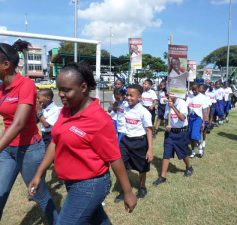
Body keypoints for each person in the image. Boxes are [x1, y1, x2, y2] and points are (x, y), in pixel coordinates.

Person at [28, 62, 137, 224]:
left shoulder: (99, 120)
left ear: (83, 87)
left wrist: (127, 192)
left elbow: (114, 158)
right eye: (60, 89)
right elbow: (56, 142)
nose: (61, 94)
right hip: (71, 182)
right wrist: (39, 173)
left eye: (67, 90)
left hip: (90, 185)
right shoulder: (66, 110)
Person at [0, 41, 58, 223]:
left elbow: (18, 123)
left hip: (29, 150)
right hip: (8, 150)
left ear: (6, 65)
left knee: (39, 195)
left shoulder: (25, 84)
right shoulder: (1, 89)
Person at [115, 84, 153, 202]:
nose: (128, 98)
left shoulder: (144, 112)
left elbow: (149, 130)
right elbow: (117, 104)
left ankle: (142, 187)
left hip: (140, 142)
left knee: (142, 167)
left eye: (132, 95)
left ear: (139, 97)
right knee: (122, 166)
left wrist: (150, 149)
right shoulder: (125, 106)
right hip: (126, 141)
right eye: (127, 95)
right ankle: (124, 190)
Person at [152, 93, 193, 186]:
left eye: (171, 95)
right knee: (166, 153)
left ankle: (189, 167)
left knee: (183, 153)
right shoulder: (167, 104)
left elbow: (182, 118)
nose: (169, 97)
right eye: (168, 95)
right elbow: (166, 117)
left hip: (181, 132)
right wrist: (167, 124)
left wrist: (173, 107)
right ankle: (163, 176)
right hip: (170, 134)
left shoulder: (182, 103)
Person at [186, 82, 210, 158]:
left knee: (194, 135)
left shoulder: (203, 98)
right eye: (193, 90)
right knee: (190, 136)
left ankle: (200, 148)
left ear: (199, 89)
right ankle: (192, 151)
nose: (194, 91)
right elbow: (186, 107)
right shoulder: (189, 97)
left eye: (195, 90)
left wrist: (204, 122)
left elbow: (204, 110)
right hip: (190, 118)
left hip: (198, 118)